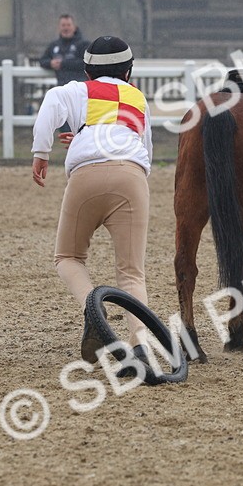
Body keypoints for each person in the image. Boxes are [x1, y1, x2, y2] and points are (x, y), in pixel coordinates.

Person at [32, 35, 154, 364]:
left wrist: (41, 152)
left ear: (87, 72)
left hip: (85, 176)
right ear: (129, 72)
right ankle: (140, 343)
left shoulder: (76, 90)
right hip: (131, 176)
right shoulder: (138, 98)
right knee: (131, 273)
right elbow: (144, 146)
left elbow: (51, 103)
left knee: (68, 257)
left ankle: (94, 312)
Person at [39, 14, 89, 86]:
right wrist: (51, 63)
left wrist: (63, 64)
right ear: (59, 27)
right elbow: (42, 60)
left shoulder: (84, 44)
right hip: (62, 87)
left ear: (74, 27)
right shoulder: (54, 45)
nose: (66, 28)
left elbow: (86, 64)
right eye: (63, 25)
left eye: (68, 25)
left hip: (80, 87)